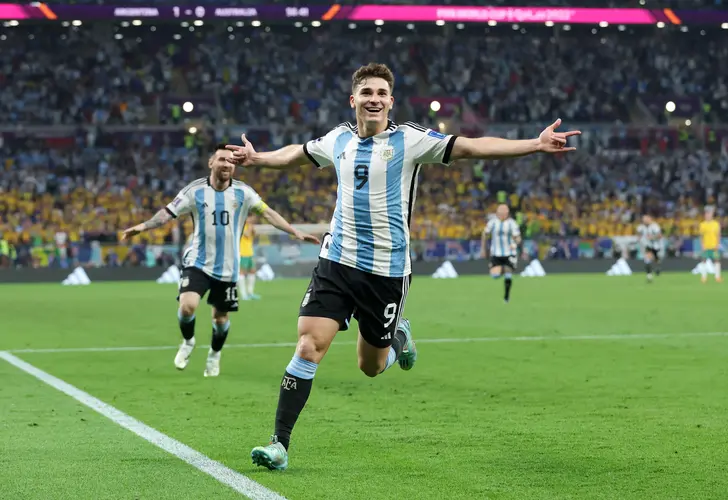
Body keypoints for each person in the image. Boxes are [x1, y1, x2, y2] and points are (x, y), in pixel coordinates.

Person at [227, 62, 580, 470]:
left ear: (391, 101)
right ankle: (279, 444)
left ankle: (399, 339)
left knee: (371, 366)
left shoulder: (410, 140)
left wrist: (533, 145)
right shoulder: (338, 138)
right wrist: (258, 158)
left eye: (381, 93)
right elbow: (297, 154)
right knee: (309, 345)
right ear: (353, 99)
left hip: (387, 271)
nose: (374, 99)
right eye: (367, 93)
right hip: (336, 261)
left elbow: (469, 146)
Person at [121, 145, 320, 377]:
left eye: (231, 162)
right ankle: (188, 341)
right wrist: (143, 226)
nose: (227, 164)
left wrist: (294, 232)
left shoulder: (243, 193)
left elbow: (267, 213)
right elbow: (167, 212)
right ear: (211, 163)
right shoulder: (194, 191)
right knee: (187, 306)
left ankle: (215, 355)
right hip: (198, 261)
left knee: (220, 318)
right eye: (222, 160)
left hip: (228, 267)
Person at [480, 204, 521, 302]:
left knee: (508, 274)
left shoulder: (512, 223)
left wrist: (515, 244)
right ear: (497, 213)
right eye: (500, 212)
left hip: (510, 253)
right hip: (496, 253)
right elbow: (485, 234)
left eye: (504, 212)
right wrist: (483, 248)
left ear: (507, 213)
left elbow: (518, 238)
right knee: (495, 276)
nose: (502, 214)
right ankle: (503, 268)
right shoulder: (492, 223)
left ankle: (506, 296)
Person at [239, 216, 261, 300]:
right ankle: (244, 294)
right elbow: (247, 234)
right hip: (242, 253)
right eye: (250, 217)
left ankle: (250, 292)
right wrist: (251, 227)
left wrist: (253, 229)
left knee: (252, 271)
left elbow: (255, 235)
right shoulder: (240, 226)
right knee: (242, 273)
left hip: (250, 252)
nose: (252, 219)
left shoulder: (250, 226)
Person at [698, 208, 722, 283]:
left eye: (709, 214)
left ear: (712, 215)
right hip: (706, 246)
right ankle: (704, 277)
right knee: (703, 261)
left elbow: (718, 235)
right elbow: (701, 236)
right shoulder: (702, 224)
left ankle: (717, 277)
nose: (707, 216)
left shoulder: (716, 224)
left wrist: (717, 244)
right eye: (706, 214)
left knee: (717, 260)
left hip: (714, 246)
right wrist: (702, 245)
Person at [636, 214, 662, 283]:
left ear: (649, 219)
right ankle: (649, 275)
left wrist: (652, 237)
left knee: (656, 259)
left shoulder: (655, 226)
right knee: (647, 259)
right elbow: (639, 234)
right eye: (643, 219)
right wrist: (639, 238)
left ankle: (658, 267)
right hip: (647, 246)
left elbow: (659, 236)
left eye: (646, 219)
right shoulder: (641, 227)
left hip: (656, 246)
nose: (644, 221)